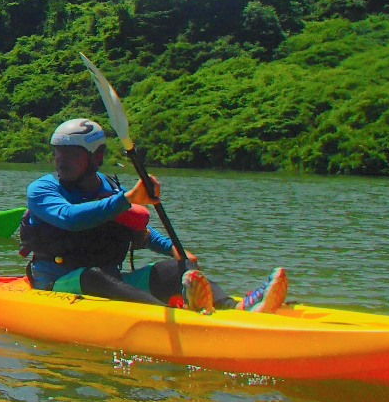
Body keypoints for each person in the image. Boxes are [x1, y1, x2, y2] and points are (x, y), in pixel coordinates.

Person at [20, 118, 287, 314]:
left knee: (177, 269)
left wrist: (174, 250)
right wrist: (127, 199)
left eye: (70, 153)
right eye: (57, 151)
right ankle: (174, 316)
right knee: (93, 276)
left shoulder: (111, 189)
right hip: (55, 283)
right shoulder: (43, 189)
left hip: (111, 280)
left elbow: (140, 231)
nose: (59, 159)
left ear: (96, 156)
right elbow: (69, 218)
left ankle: (236, 307)